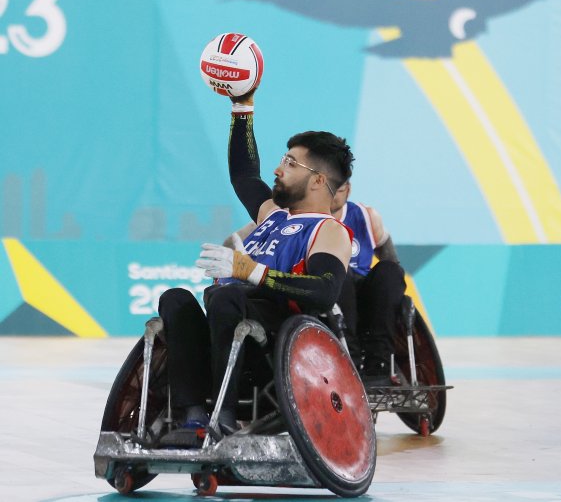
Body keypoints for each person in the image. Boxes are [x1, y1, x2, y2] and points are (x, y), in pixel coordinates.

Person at [156, 91, 354, 447]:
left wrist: (250, 270)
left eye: (291, 163)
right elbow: (244, 174)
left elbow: (324, 292)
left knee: (228, 296)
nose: (279, 169)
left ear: (318, 181)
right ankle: (193, 417)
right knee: (176, 300)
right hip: (228, 318)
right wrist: (241, 106)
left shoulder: (329, 230)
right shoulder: (271, 215)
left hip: (275, 341)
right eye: (282, 160)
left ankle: (226, 417)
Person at [330, 180, 407, 386]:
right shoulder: (301, 216)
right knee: (340, 271)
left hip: (363, 300)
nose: (332, 194)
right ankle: (352, 360)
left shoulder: (367, 217)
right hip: (329, 298)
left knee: (390, 271)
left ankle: (379, 366)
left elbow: (392, 260)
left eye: (337, 188)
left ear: (348, 189)